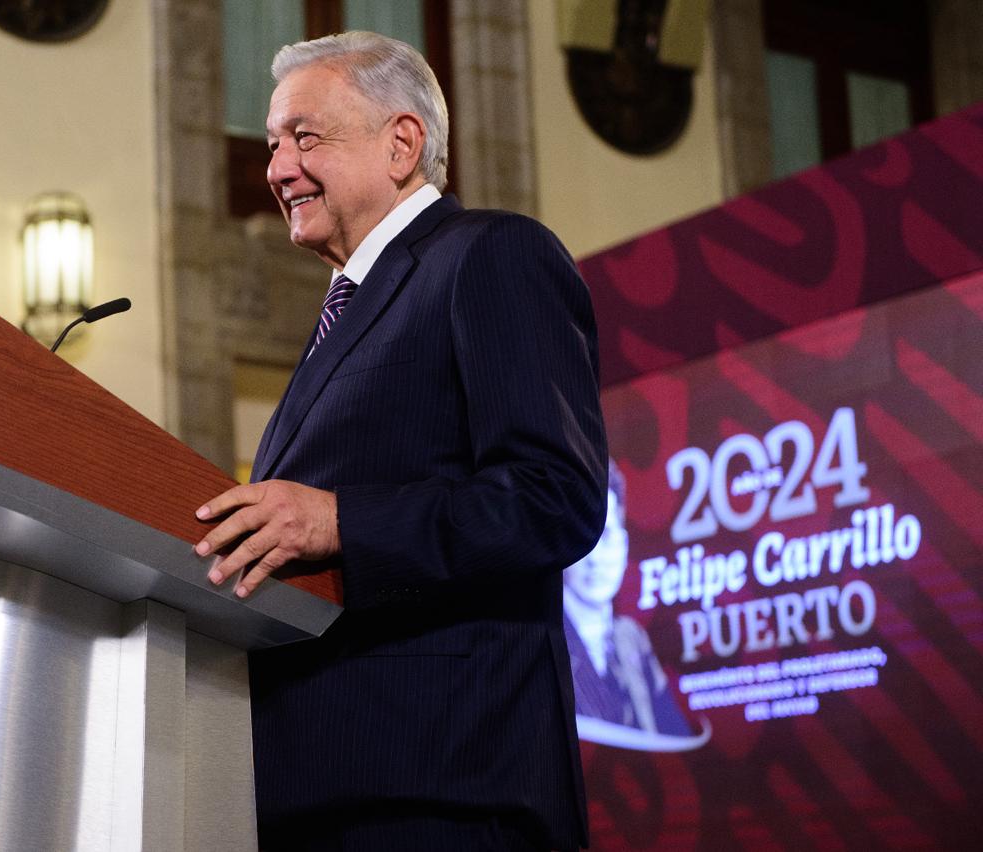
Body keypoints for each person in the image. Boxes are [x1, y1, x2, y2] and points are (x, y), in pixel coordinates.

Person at [193, 31, 607, 851]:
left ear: (402, 142)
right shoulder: (343, 311)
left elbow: (554, 498)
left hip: (443, 786)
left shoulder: (490, 255)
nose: (277, 169)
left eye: (304, 137)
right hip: (311, 790)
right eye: (274, 143)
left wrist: (342, 522)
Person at [563, 459, 693, 740]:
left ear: (624, 545)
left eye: (606, 537)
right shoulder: (546, 642)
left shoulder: (631, 637)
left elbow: (674, 738)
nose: (596, 558)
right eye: (584, 538)